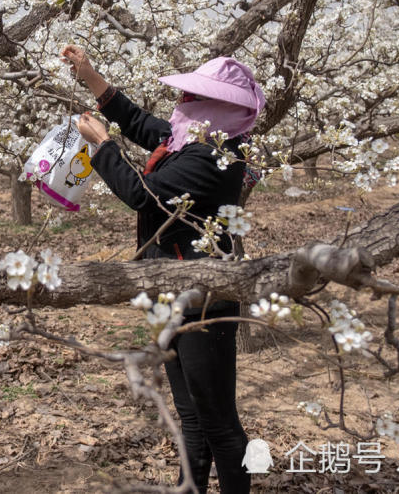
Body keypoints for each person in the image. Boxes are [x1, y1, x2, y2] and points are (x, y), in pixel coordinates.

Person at [61, 43, 266, 494]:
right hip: (169, 290)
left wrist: (103, 147)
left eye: (195, 98)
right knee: (192, 418)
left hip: (201, 298)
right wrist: (91, 77)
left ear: (222, 108)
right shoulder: (189, 139)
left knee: (220, 424)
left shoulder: (216, 156)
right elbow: (140, 122)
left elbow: (145, 195)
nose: (183, 104)